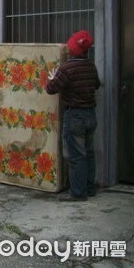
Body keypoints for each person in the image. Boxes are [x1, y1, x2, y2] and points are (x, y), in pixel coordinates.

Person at [46, 30, 100, 202]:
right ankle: (89, 188)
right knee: (88, 153)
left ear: (73, 50)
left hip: (75, 115)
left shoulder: (67, 68)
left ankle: (77, 193)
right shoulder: (91, 66)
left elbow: (50, 89)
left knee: (76, 155)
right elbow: (97, 85)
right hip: (90, 114)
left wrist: (53, 77)